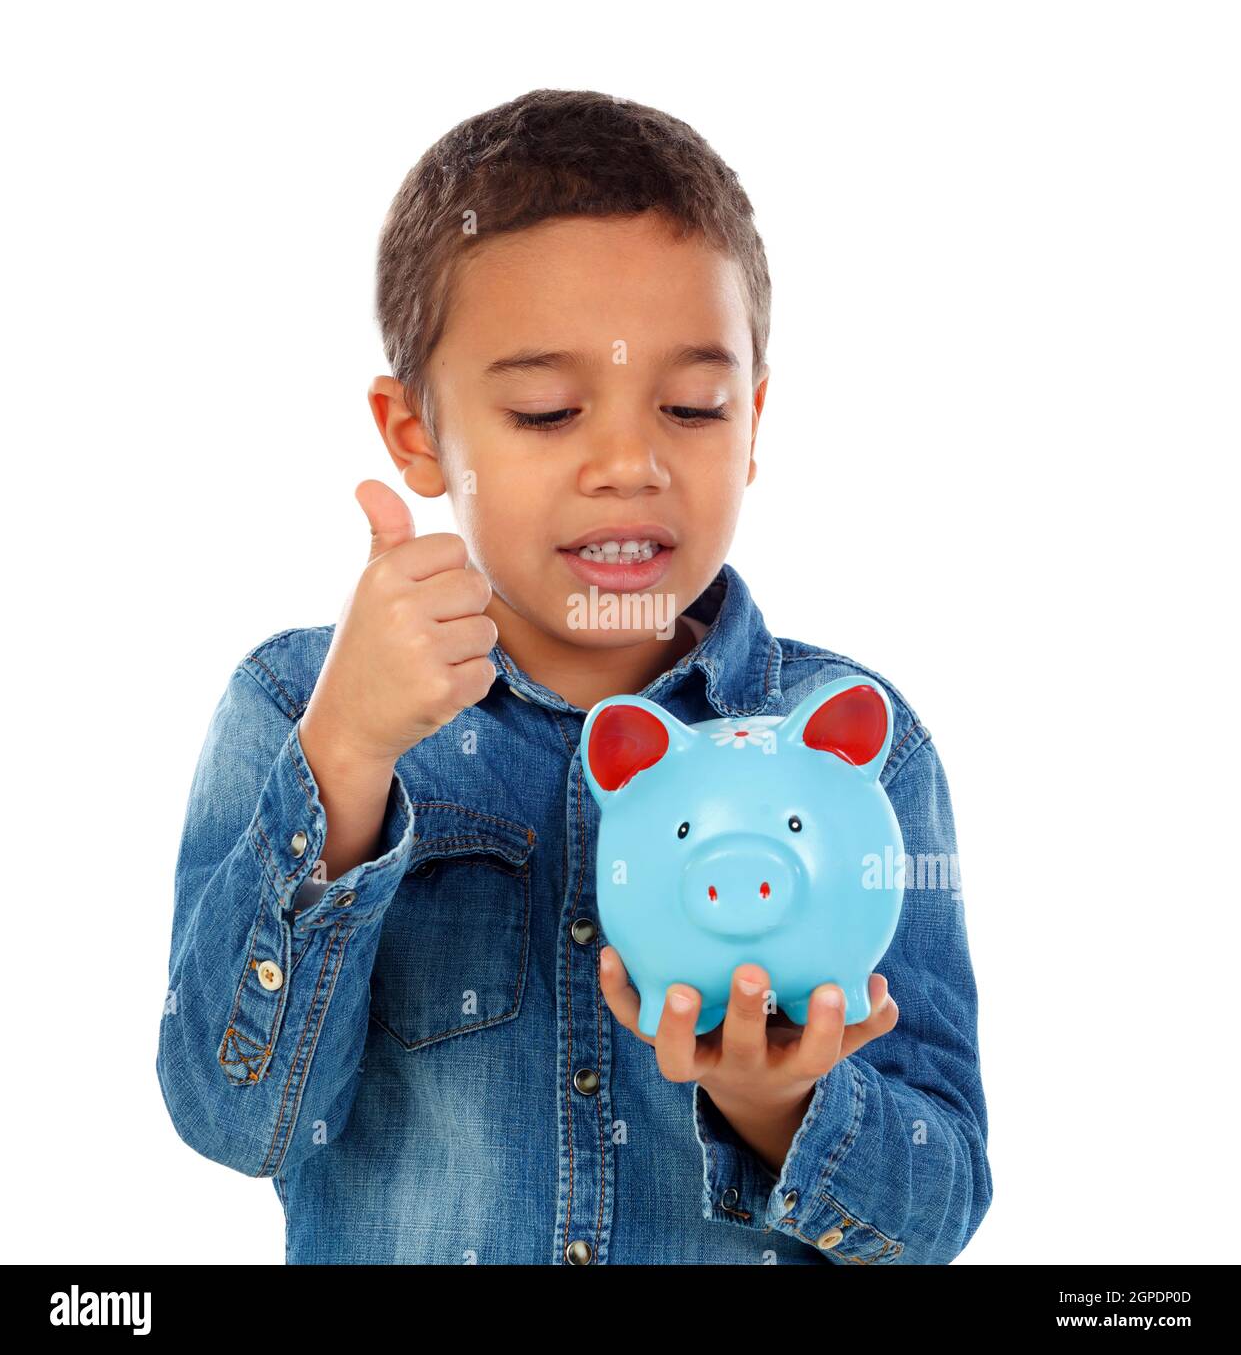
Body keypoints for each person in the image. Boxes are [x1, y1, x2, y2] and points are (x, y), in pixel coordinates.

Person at [156, 88, 991, 1265]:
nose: (628, 463)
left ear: (750, 419)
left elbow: (938, 1204)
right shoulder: (301, 706)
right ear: (415, 435)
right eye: (547, 412)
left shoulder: (855, 744)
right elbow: (235, 1120)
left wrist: (776, 1104)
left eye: (691, 407)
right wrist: (345, 758)